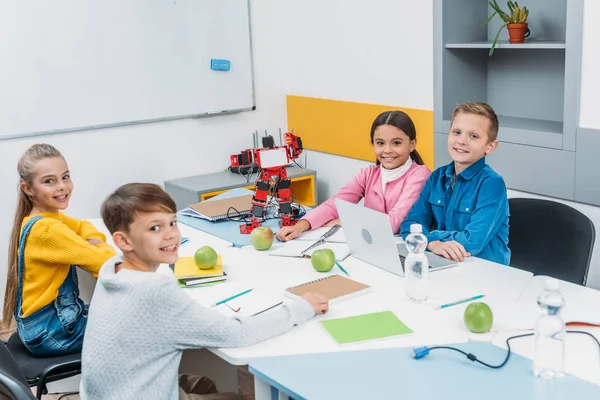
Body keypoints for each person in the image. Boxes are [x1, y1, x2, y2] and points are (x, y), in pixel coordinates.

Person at [80, 183, 329, 400]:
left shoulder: (111, 269)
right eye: (154, 228)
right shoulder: (155, 291)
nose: (170, 235)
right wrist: (301, 308)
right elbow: (236, 334)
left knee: (203, 383)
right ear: (124, 241)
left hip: (104, 393)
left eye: (172, 223)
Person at [2, 143, 117, 356]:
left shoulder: (44, 217)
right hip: (53, 332)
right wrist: (99, 247)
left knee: (120, 315)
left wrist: (94, 240)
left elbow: (83, 225)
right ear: (28, 189)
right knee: (138, 327)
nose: (62, 186)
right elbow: (107, 264)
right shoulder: (47, 229)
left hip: (46, 326)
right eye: (49, 181)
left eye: (65, 177)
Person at [276, 110, 431, 241]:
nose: (387, 150)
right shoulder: (369, 173)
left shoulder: (420, 175)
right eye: (380, 143)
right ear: (373, 144)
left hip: (403, 250)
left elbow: (393, 224)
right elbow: (335, 204)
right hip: (370, 244)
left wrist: (345, 221)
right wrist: (301, 225)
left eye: (396, 143)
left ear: (412, 144)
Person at [400, 102, 510, 265]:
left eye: (473, 136)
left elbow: (473, 242)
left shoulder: (492, 184)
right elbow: (410, 225)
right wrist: (433, 244)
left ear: (489, 146)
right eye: (457, 132)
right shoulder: (436, 177)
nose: (461, 141)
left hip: (483, 269)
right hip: (444, 263)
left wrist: (430, 237)